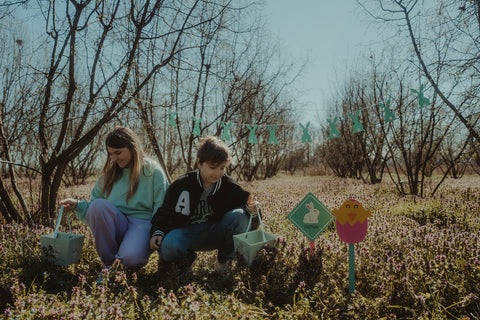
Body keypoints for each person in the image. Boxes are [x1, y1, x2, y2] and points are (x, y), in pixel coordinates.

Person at [60, 127, 169, 282]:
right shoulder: (109, 173)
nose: (113, 158)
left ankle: (126, 257)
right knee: (98, 206)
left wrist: (158, 232)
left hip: (142, 225)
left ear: (132, 148)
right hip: (117, 223)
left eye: (118, 153)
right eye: (110, 154)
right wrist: (77, 205)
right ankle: (109, 265)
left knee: (131, 259)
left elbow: (162, 207)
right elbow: (94, 208)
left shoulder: (153, 171)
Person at [149, 135, 259, 273]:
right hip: (187, 234)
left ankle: (224, 261)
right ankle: (185, 262)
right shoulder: (181, 185)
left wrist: (253, 211)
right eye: (213, 167)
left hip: (216, 232)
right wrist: (158, 231)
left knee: (240, 215)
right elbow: (165, 212)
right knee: (168, 246)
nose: (218, 173)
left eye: (222, 168)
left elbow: (248, 210)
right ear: (199, 163)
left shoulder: (228, 185)